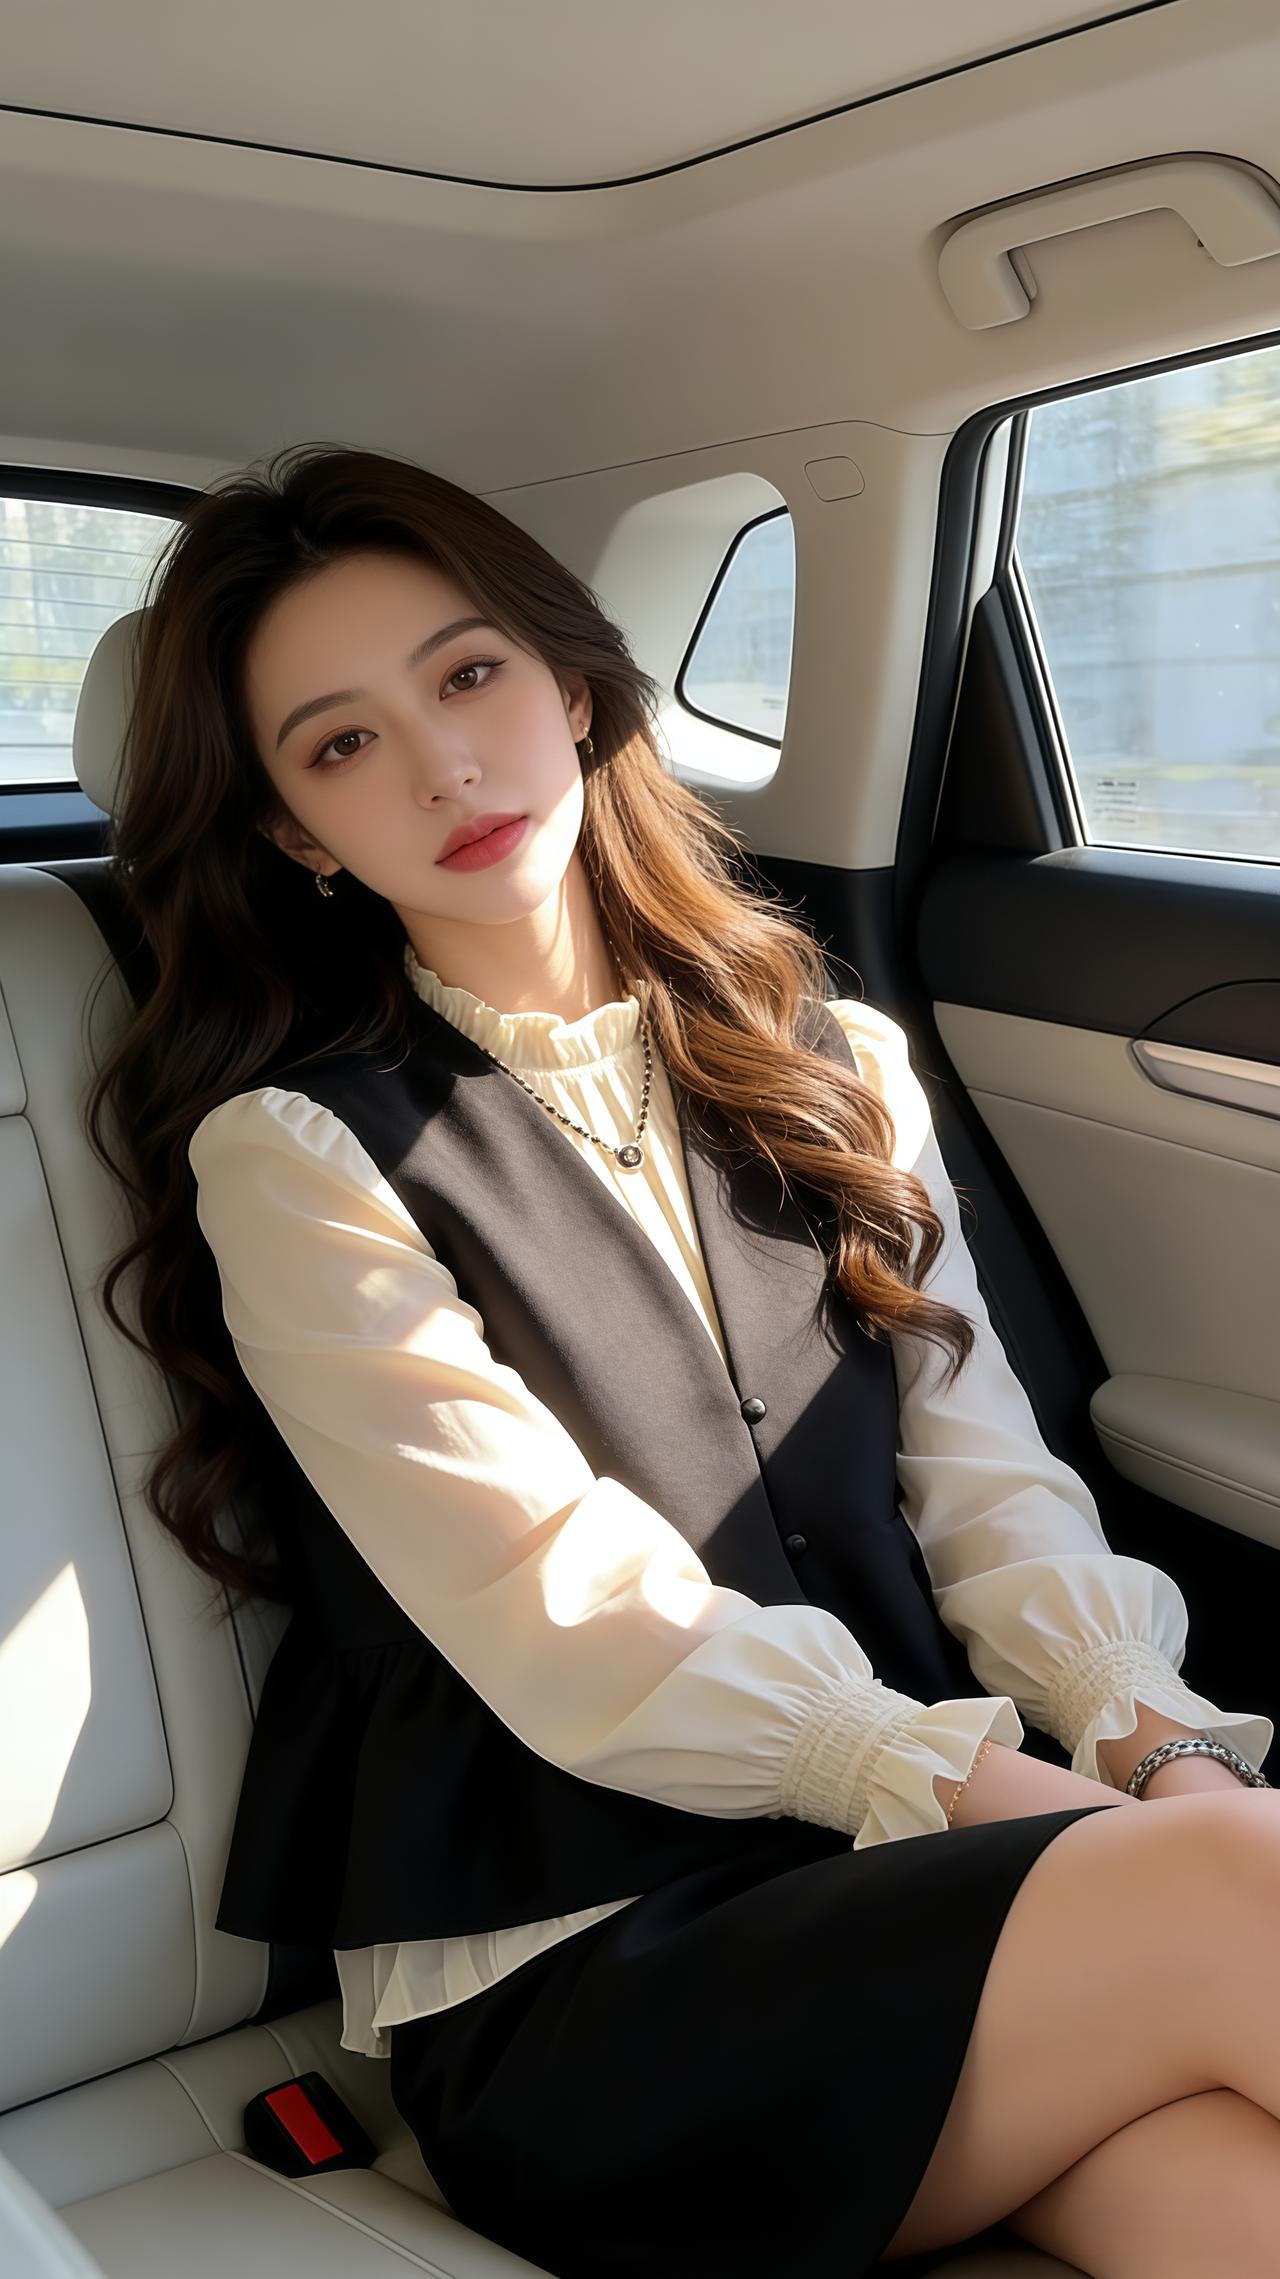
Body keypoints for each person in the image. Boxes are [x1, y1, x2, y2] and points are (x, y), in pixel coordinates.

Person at [86, 441, 1278, 2279]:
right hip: (594, 1977)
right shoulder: (301, 1156)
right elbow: (564, 1606)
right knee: (1234, 1890)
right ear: (298, 836)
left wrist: (1160, 1745)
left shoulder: (835, 1061)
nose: (442, 765)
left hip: (906, 1888)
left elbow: (984, 1475)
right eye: (341, 746)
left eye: (470, 674)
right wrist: (1059, 1817)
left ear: (571, 688)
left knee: (1236, 2201)